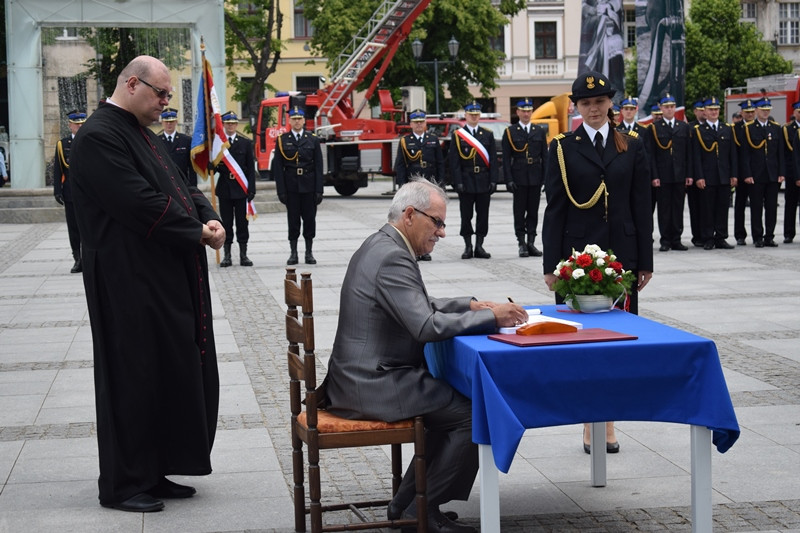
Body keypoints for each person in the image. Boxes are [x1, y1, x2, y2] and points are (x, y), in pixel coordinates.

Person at [323, 178, 527, 533]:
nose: (442, 233)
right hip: (371, 381)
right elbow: (425, 326)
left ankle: (406, 506)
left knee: (450, 407)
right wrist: (491, 318)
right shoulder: (391, 256)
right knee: (471, 413)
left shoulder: (383, 244)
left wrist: (469, 305)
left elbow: (415, 306)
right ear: (409, 215)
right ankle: (424, 512)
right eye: (437, 222)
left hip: (365, 374)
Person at [69, 55, 226, 513]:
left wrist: (209, 217)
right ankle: (123, 483)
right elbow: (137, 202)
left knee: (163, 372)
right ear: (132, 84)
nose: (166, 101)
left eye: (168, 94)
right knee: (131, 376)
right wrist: (195, 232)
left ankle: (154, 470)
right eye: (160, 93)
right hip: (126, 282)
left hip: (159, 277)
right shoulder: (99, 135)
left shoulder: (141, 133)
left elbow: (183, 188)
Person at [542, 71, 653, 454]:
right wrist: (551, 266)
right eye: (586, 103)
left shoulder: (633, 146)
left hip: (620, 259)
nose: (593, 108)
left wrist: (645, 261)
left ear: (611, 104)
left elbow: (642, 206)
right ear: (576, 107)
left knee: (618, 344)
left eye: (600, 101)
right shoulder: (562, 147)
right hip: (577, 262)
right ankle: (589, 421)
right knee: (582, 344)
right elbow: (554, 210)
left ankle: (608, 421)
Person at [273, 106, 324, 265]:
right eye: (294, 119)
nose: (297, 122)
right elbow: (278, 168)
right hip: (291, 187)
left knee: (309, 220)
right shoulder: (282, 140)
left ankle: (309, 252)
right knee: (293, 220)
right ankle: (293, 253)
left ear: (304, 121)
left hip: (309, 186)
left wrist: (319, 189)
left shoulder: (312, 139)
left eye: (299, 119)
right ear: (290, 121)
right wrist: (281, 190)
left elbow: (319, 166)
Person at [449, 101, 499, 259]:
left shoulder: (487, 134)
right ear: (465, 115)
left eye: (477, 114)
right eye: (471, 114)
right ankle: (468, 246)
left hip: (483, 180)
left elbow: (493, 160)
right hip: (466, 180)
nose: (474, 117)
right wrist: (458, 182)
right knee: (466, 215)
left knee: (483, 215)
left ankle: (479, 245)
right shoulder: (458, 136)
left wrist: (493, 180)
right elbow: (454, 162)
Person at [502, 98, 547, 257]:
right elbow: (506, 159)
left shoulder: (539, 131)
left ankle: (531, 242)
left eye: (529, 111)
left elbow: (545, 157)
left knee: (533, 212)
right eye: (523, 111)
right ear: (518, 112)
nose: (526, 113)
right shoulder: (510, 131)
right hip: (519, 176)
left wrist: (545, 179)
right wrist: (508, 179)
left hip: (535, 175)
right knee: (519, 212)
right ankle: (521, 242)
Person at [691, 97, 737, 250]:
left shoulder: (727, 129)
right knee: (707, 209)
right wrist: (699, 176)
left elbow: (732, 154)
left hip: (723, 175)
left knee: (722, 208)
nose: (713, 112)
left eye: (716, 109)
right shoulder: (699, 131)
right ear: (705, 111)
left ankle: (721, 237)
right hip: (707, 176)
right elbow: (696, 156)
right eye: (711, 110)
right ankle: (708, 237)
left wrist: (733, 174)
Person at [649, 93, 692, 251]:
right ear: (660, 108)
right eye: (666, 107)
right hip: (663, 175)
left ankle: (677, 238)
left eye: (672, 106)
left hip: (679, 174)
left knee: (678, 207)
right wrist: (654, 176)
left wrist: (689, 174)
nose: (669, 109)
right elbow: (651, 154)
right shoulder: (654, 128)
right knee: (664, 209)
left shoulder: (683, 127)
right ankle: (665, 240)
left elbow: (688, 154)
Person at [740, 98, 785, 247]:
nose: (766, 112)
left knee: (771, 207)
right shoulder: (749, 128)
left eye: (768, 109)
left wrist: (781, 172)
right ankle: (757, 236)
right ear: (756, 110)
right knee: (756, 207)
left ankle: (769, 236)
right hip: (756, 174)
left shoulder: (776, 128)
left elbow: (780, 153)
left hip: (772, 173)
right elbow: (745, 154)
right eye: (763, 109)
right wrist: (747, 173)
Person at [216, 111, 256, 266]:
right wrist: (211, 165)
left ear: (236, 124)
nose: (231, 126)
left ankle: (243, 255)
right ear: (224, 125)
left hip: (241, 189)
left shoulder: (245, 143)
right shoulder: (218, 144)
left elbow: (251, 169)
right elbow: (212, 166)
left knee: (242, 223)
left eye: (233, 123)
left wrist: (251, 189)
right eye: (228, 123)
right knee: (226, 223)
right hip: (225, 189)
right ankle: (227, 256)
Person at [53, 110, 86, 273]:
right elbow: (58, 170)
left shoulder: (90, 141)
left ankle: (89, 258)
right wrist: (57, 191)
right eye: (76, 124)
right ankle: (78, 259)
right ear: (70, 125)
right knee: (73, 228)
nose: (79, 127)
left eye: (82, 124)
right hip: (71, 193)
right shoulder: (62, 144)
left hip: (89, 194)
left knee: (89, 226)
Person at [395, 109, 445, 187]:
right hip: (412, 179)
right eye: (416, 122)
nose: (419, 124)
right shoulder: (405, 141)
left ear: (425, 123)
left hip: (431, 179)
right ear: (411, 124)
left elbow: (440, 163)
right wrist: (402, 184)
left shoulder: (433, 139)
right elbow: (400, 165)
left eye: (421, 122)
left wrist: (441, 182)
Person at [732, 99, 757, 245]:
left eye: (752, 112)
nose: (750, 114)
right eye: (747, 112)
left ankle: (757, 234)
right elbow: (735, 154)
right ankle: (740, 235)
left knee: (756, 205)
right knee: (740, 205)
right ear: (741, 113)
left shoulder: (758, 126)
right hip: (741, 173)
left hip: (757, 173)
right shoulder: (735, 128)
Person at [158, 107, 197, 187]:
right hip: (164, 185)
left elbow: (192, 167)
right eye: (166, 122)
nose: (169, 124)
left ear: (176, 122)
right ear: (162, 122)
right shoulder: (156, 141)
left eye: (171, 121)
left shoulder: (186, 140)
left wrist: (193, 188)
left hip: (183, 184)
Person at [782, 102, 800, 243]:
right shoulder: (788, 129)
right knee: (791, 204)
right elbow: (789, 151)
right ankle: (789, 233)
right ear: (795, 113)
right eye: (799, 112)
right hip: (792, 172)